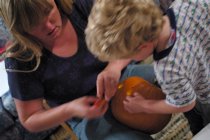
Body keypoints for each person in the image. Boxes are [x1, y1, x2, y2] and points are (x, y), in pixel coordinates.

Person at [0, 0, 154, 139]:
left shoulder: (80, 8)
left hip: (121, 78)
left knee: (172, 80)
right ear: (21, 29)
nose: (48, 25)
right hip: (85, 118)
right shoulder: (20, 60)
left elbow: (130, 36)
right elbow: (29, 119)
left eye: (48, 11)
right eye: (33, 23)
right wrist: (70, 110)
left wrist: (114, 66)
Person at [85, 0, 210, 135]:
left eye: (129, 56)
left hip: (206, 97)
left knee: (202, 125)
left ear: (142, 46)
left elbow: (186, 103)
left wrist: (145, 106)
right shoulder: (185, 5)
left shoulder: (167, 71)